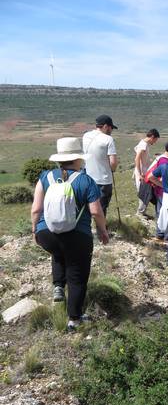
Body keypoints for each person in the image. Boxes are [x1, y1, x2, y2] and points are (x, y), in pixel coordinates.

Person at [31, 137, 109, 331]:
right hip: (77, 236)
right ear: (78, 159)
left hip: (46, 233)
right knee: (77, 275)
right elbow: (96, 212)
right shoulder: (86, 180)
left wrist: (35, 230)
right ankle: (74, 320)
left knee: (58, 251)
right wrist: (103, 230)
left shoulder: (45, 177)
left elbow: (36, 209)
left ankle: (58, 286)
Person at [82, 115, 118, 217]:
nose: (111, 131)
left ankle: (89, 228)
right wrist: (112, 169)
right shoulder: (108, 139)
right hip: (104, 180)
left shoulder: (86, 136)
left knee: (88, 205)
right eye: (111, 128)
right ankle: (101, 230)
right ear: (106, 126)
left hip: (88, 177)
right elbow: (113, 163)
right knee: (102, 207)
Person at [134, 128, 160, 215]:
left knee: (146, 191)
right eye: (155, 140)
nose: (155, 142)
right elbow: (137, 158)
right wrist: (140, 172)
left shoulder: (144, 144)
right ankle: (140, 213)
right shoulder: (143, 145)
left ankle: (142, 212)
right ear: (152, 137)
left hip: (144, 172)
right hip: (141, 173)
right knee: (144, 191)